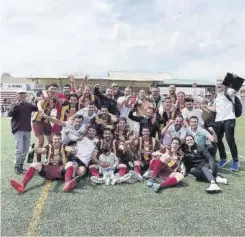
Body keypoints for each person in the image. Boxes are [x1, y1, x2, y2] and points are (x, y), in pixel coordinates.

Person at [9, 133, 77, 193]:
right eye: (55, 139)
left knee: (70, 164)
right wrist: (34, 149)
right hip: (48, 171)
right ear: (52, 140)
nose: (57, 141)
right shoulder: (49, 146)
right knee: (34, 165)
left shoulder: (64, 146)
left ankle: (67, 183)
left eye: (59, 139)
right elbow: (42, 150)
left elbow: (69, 149)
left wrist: (72, 149)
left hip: (61, 171)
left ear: (61, 140)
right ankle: (22, 185)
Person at [204, 79, 240, 171]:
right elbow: (216, 109)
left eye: (220, 84)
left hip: (229, 120)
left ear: (225, 85)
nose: (218, 85)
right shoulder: (217, 97)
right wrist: (206, 106)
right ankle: (223, 158)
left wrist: (231, 77)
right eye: (217, 84)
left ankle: (235, 161)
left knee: (229, 140)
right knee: (218, 140)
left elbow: (238, 84)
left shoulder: (228, 92)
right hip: (219, 120)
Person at [8, 90, 38, 174]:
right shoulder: (14, 104)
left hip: (27, 130)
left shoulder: (28, 105)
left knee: (25, 150)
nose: (22, 95)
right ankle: (16, 166)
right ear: (17, 95)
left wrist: (37, 99)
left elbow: (37, 109)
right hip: (18, 130)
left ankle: (21, 165)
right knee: (19, 150)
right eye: (20, 94)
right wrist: (16, 105)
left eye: (23, 94)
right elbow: (9, 114)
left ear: (25, 95)